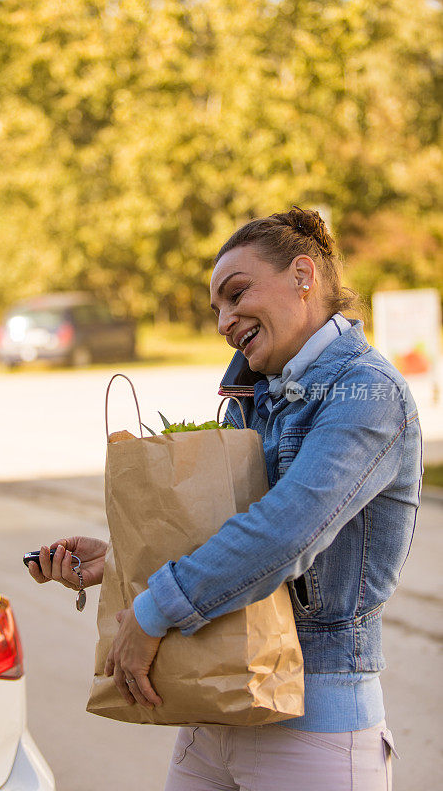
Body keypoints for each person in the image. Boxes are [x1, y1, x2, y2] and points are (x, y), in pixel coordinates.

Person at [29, 207, 422, 790]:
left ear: (303, 276)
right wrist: (118, 563)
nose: (224, 320)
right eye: (216, 310)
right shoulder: (257, 393)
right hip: (215, 709)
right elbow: (229, 536)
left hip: (313, 728)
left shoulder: (368, 394)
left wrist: (153, 609)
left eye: (236, 295)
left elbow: (286, 533)